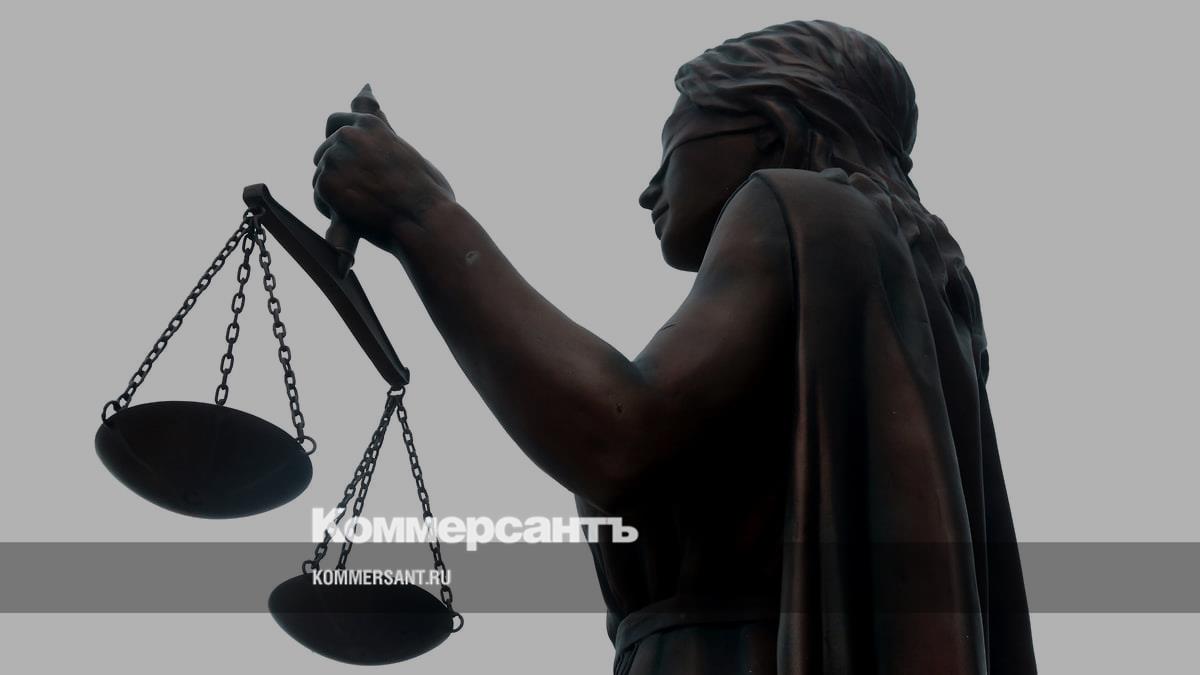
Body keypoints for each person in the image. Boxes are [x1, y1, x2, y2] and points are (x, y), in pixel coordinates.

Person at [312, 19, 1037, 675]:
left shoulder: (797, 207)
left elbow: (616, 433)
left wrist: (420, 214)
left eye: (674, 143)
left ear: (771, 128)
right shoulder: (902, 289)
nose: (651, 188)